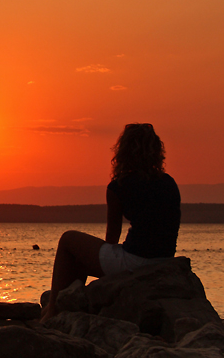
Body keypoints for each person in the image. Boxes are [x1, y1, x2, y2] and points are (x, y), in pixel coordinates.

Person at [40, 123, 181, 321]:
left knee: (68, 240)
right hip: (164, 260)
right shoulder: (169, 183)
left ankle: (54, 309)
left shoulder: (119, 186)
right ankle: (69, 307)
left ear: (123, 151)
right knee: (80, 256)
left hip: (135, 262)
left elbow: (112, 238)